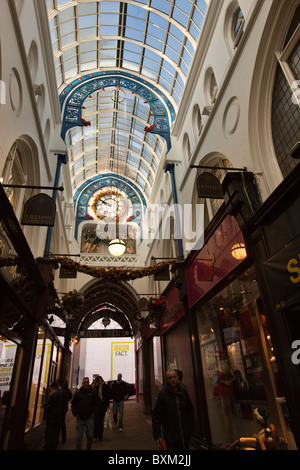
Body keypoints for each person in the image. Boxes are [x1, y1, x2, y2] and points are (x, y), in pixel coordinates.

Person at [152, 369, 194, 450]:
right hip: (171, 436)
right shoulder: (163, 394)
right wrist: (157, 435)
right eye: (170, 378)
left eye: (174, 377)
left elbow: (190, 410)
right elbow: (156, 415)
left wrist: (190, 427)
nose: (172, 379)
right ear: (166, 379)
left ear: (177, 377)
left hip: (184, 434)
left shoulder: (183, 391)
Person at [71, 377, 98, 450]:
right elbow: (73, 403)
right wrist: (75, 413)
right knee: (79, 437)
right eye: (84, 382)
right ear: (82, 383)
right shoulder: (78, 393)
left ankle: (89, 448)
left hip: (90, 417)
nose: (86, 384)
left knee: (90, 435)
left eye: (87, 382)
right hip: (80, 417)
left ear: (89, 383)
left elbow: (97, 403)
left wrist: (94, 412)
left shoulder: (93, 392)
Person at [44, 381, 65, 450]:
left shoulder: (51, 394)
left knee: (49, 433)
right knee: (56, 433)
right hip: (59, 417)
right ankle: (54, 446)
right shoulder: (61, 393)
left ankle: (48, 446)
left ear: (51, 387)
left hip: (51, 417)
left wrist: (46, 416)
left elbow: (48, 406)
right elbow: (64, 405)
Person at [92, 375, 110, 440]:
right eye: (98, 380)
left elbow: (108, 396)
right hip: (96, 406)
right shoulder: (95, 387)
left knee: (101, 421)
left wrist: (107, 405)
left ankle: (100, 436)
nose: (99, 381)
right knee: (96, 420)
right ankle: (95, 435)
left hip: (103, 405)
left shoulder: (105, 386)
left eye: (100, 380)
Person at [57, 377, 73, 444]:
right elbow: (70, 396)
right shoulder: (66, 389)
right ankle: (63, 438)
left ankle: (57, 438)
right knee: (62, 423)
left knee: (58, 424)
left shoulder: (62, 389)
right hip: (64, 408)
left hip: (60, 408)